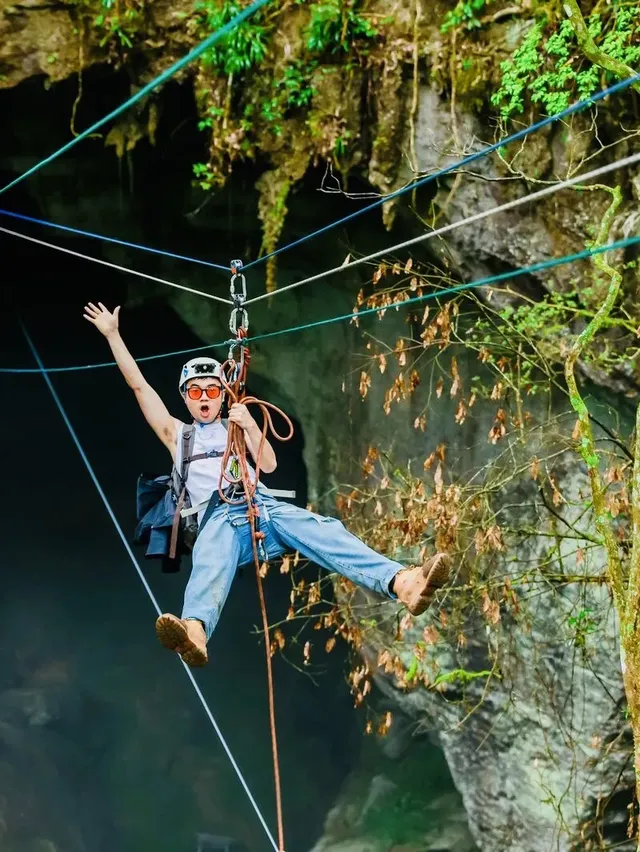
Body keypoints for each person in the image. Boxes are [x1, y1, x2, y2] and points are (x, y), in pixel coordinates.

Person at [84, 302, 451, 668]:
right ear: (185, 398)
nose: (205, 398)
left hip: (260, 509)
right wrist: (113, 335)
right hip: (218, 521)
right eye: (195, 392)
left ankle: (403, 582)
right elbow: (139, 387)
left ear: (222, 393)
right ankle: (195, 630)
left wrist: (249, 426)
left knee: (322, 529)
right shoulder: (177, 435)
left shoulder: (236, 428)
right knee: (210, 556)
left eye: (212, 390)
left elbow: (270, 464)